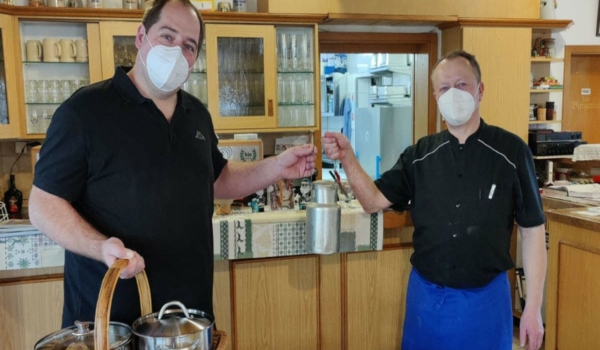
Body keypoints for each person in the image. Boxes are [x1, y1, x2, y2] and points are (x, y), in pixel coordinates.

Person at [28, 0, 316, 328]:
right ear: (141, 37)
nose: (177, 51)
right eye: (167, 37)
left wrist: (276, 167)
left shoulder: (196, 114)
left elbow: (218, 180)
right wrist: (101, 247)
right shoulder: (84, 112)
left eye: (189, 46)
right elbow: (43, 203)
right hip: (110, 323)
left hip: (186, 318)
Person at [322, 50, 546, 350]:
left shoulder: (512, 152)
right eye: (444, 88)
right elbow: (373, 200)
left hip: (486, 302)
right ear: (436, 98)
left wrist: (533, 308)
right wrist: (348, 157)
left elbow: (532, 232)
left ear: (480, 90)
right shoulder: (419, 156)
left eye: (462, 84)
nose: (453, 94)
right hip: (427, 301)